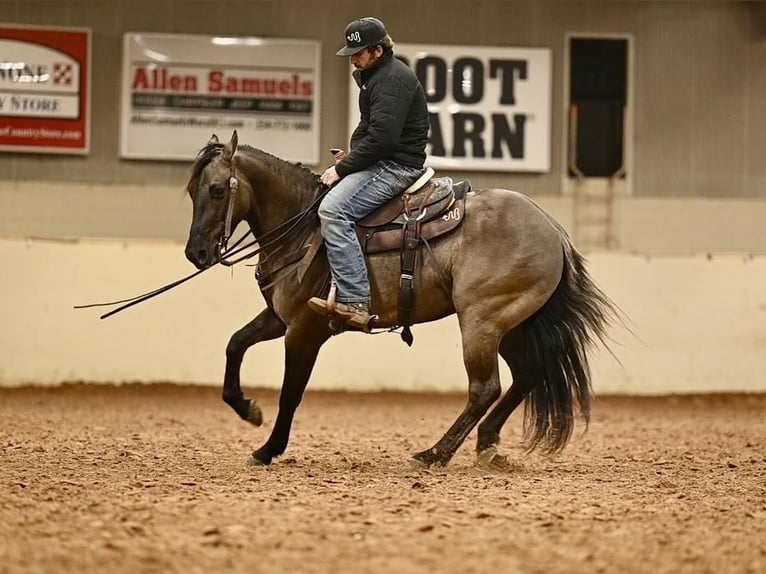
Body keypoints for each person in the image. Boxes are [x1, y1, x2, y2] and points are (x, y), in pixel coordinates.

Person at [307, 16, 429, 331]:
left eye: (359, 52)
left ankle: (356, 300)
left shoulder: (390, 79)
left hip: (396, 167)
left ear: (377, 50)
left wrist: (343, 168)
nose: (354, 58)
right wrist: (352, 158)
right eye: (352, 52)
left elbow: (383, 139)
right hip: (385, 161)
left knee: (333, 211)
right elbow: (371, 131)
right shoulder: (376, 76)